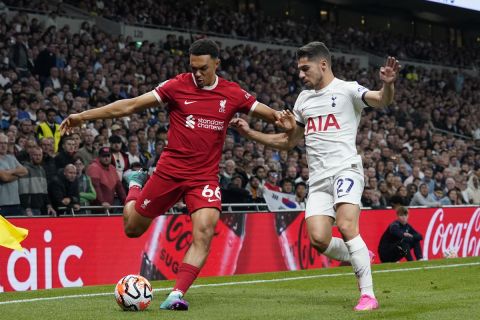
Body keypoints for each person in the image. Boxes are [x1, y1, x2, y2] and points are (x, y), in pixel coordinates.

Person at [60, 38, 281, 310]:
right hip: (170, 172)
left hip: (204, 178)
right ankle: (135, 185)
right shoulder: (176, 85)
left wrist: (289, 119)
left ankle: (176, 294)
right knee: (132, 228)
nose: (197, 74)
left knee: (205, 231)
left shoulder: (233, 93)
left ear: (216, 64)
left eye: (202, 68)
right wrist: (83, 116)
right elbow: (129, 105)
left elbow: (273, 116)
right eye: (192, 68)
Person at [230, 42, 400, 311]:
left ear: (323, 65)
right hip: (318, 179)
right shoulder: (303, 100)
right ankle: (361, 256)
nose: (300, 74)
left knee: (346, 226)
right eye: (299, 69)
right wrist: (251, 133)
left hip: (346, 170)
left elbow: (382, 99)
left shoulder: (347, 90)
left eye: (304, 68)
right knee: (319, 239)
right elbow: (288, 142)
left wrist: (388, 85)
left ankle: (368, 295)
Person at [86, 147, 126, 211]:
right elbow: (96, 186)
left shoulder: (112, 168)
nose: (106, 158)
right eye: (104, 156)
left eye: (108, 156)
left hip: (109, 206)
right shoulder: (93, 167)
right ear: (99, 157)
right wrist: (102, 202)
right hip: (97, 207)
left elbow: (119, 187)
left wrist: (125, 201)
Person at [0, 132, 28, 216]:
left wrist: (9, 172)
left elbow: (25, 171)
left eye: (5, 143)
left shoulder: (11, 157)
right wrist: (17, 175)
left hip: (15, 203)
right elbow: (4, 178)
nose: (3, 145)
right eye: (0, 143)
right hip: (2, 204)